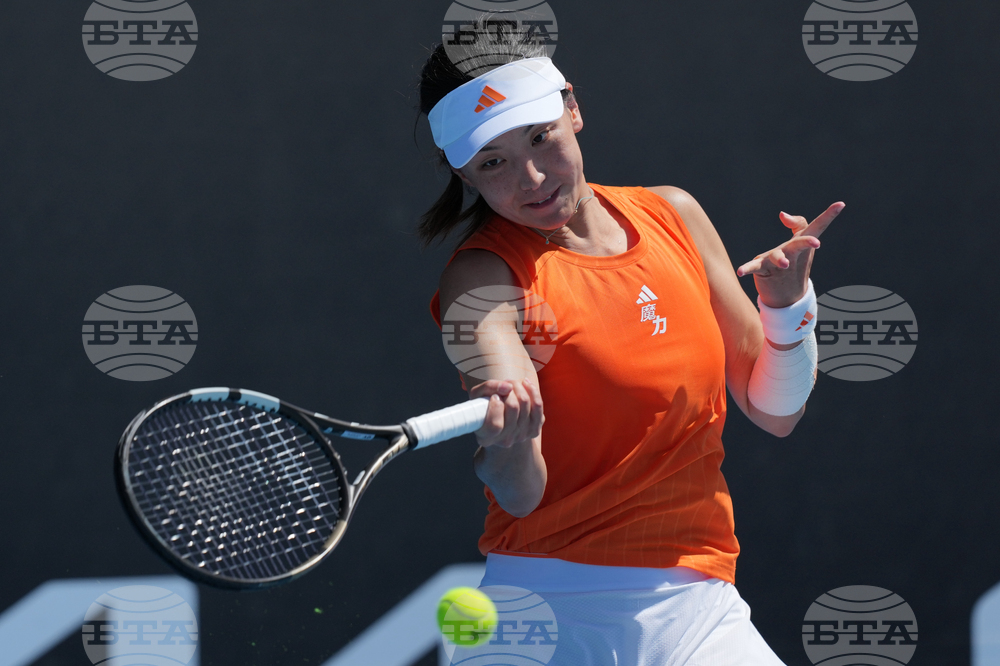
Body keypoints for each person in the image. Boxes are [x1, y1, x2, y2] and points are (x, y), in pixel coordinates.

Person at [417, 42, 842, 665]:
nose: (530, 179)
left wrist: (788, 307)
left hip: (701, 610)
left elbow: (776, 409)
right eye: (493, 163)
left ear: (573, 109)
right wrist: (508, 444)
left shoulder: (675, 214)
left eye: (540, 138)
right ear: (464, 175)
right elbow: (520, 495)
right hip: (545, 619)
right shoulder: (480, 282)